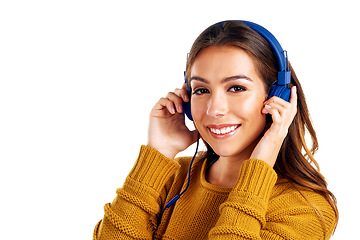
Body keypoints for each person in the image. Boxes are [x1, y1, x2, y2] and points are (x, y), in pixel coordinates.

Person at [93, 20, 338, 239]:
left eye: (236, 88)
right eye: (201, 90)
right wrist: (158, 153)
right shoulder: (170, 179)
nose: (214, 110)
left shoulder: (306, 208)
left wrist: (259, 167)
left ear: (278, 96)